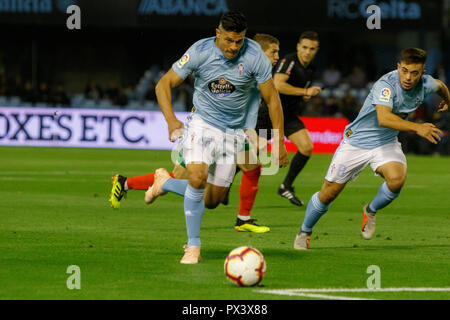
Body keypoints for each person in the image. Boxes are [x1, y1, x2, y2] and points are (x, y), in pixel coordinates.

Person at [111, 12, 289, 264]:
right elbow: (163, 84)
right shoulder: (199, 51)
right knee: (197, 177)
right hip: (202, 125)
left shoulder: (254, 57)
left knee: (213, 200)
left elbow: (273, 99)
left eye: (239, 41)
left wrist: (279, 141)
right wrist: (172, 120)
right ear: (218, 33)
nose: (233, 47)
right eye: (229, 40)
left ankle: (165, 182)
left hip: (234, 133)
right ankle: (193, 246)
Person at [293, 48, 449, 250]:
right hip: (355, 143)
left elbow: (441, 86)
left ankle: (370, 210)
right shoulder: (385, 85)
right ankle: (305, 230)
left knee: (397, 180)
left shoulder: (426, 84)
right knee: (329, 193)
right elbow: (384, 118)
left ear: (422, 72)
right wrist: (417, 127)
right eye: (405, 71)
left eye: (414, 73)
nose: (408, 77)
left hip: (385, 143)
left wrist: (448, 101)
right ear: (398, 67)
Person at [257, 31, 322, 207]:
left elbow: (294, 90)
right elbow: (277, 85)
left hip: (289, 115)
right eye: (305, 47)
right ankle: (226, 182)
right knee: (254, 156)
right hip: (269, 113)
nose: (308, 52)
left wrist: (303, 96)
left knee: (307, 147)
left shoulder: (311, 68)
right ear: (298, 47)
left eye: (312, 49)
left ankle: (286, 186)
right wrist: (305, 92)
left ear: (316, 50)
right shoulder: (289, 61)